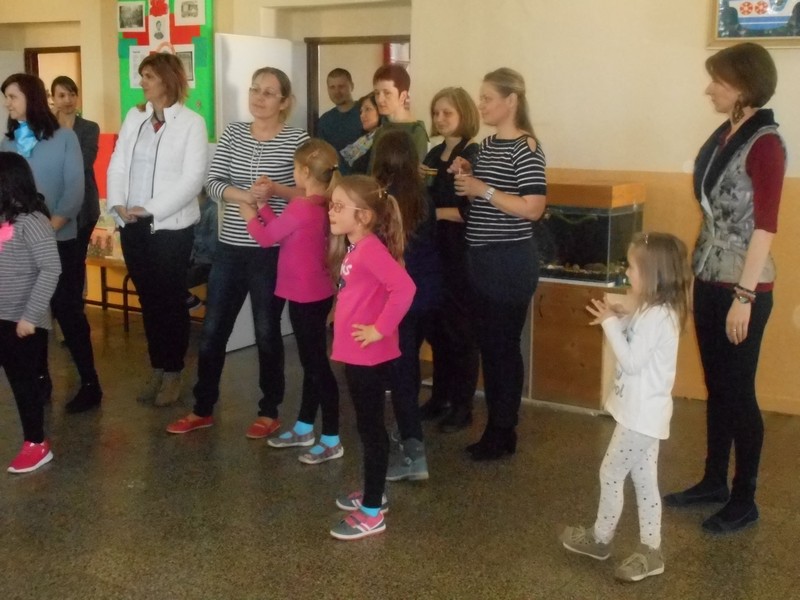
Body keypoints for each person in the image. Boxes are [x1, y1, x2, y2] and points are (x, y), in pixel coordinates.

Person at [663, 43, 786, 534]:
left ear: (743, 86)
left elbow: (766, 227)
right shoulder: (726, 135)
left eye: (717, 80)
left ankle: (744, 497)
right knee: (717, 388)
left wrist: (745, 296)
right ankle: (713, 480)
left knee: (738, 393)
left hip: (743, 286)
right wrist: (698, 280)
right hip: (710, 276)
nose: (709, 89)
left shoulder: (766, 144)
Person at [166, 67, 309, 437]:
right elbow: (212, 182)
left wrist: (275, 190)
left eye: (269, 92)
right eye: (255, 89)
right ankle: (202, 408)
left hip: (271, 250)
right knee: (213, 329)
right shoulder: (232, 133)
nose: (259, 98)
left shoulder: (298, 139)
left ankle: (269, 410)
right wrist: (244, 196)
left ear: (284, 102)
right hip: (230, 248)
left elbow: (311, 192)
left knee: (266, 331)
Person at [560, 232, 691, 583]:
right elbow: (635, 333)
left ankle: (601, 538)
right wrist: (619, 316)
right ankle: (651, 549)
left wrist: (609, 323)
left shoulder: (658, 316)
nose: (627, 272)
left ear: (652, 274)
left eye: (632, 267)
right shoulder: (651, 309)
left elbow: (632, 361)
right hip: (641, 414)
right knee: (644, 480)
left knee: (611, 473)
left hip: (640, 417)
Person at [449, 68, 547, 461]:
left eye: (488, 98)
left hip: (509, 261)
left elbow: (533, 207)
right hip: (481, 258)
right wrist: (468, 177)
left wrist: (482, 189)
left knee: (502, 349)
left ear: (511, 101)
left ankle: (503, 430)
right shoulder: (487, 145)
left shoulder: (527, 147)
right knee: (490, 347)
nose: (482, 105)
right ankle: (498, 427)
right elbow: (484, 200)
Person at [106, 53, 208, 407]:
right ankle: (158, 366)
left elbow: (192, 179)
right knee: (148, 300)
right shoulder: (135, 117)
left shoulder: (192, 123)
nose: (142, 82)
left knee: (169, 300)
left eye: (148, 76)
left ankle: (173, 370)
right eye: (142, 75)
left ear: (167, 79)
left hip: (170, 228)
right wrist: (117, 203)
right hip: (132, 224)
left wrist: (150, 208)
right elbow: (119, 162)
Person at [1, 73, 101, 414]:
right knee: (33, 312)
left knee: (67, 310)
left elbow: (74, 191)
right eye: (6, 97)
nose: (7, 103)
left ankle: (90, 383)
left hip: (61, 239)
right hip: (20, 246)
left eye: (12, 96)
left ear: (30, 97)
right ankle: (41, 378)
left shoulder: (65, 138)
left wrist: (49, 228)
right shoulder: (8, 144)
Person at [239, 139, 341, 464]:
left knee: (317, 367)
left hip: (305, 295)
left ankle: (332, 437)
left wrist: (247, 212)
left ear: (305, 171)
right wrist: (264, 208)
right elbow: (284, 232)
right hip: (314, 293)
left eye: (295, 168)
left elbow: (266, 238)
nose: (293, 173)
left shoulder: (302, 206)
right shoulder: (318, 203)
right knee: (312, 364)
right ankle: (304, 426)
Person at [328, 175, 415, 541]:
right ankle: (374, 492)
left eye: (338, 207)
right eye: (331, 205)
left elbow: (405, 288)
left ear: (363, 216)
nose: (330, 212)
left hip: (368, 356)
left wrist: (380, 329)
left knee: (371, 430)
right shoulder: (356, 246)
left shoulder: (369, 249)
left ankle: (372, 512)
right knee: (367, 427)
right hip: (357, 353)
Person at [371, 129, 440, 482]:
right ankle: (406, 428)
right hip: (428, 295)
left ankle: (414, 453)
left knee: (400, 375)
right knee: (408, 368)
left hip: (398, 300)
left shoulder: (381, 200)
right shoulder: (424, 198)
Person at [418, 86, 481, 433]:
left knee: (461, 332)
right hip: (433, 252)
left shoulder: (472, 155)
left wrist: (434, 213)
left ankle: (462, 405)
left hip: (459, 254)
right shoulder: (432, 155)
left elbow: (472, 211)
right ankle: (440, 396)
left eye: (447, 113)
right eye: (436, 113)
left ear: (464, 115)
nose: (440, 119)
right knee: (437, 329)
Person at [0, 152, 61, 473]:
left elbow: (51, 268)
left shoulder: (33, 222)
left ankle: (36, 444)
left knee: (25, 385)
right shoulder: (4, 220)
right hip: (2, 318)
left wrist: (30, 316)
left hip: (23, 322)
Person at [51, 76, 101, 303]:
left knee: (74, 261)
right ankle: (55, 310)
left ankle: (74, 309)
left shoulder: (89, 128)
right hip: (52, 205)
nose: (68, 100)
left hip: (84, 206)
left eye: (72, 94)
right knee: (54, 261)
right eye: (62, 95)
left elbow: (84, 162)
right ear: (53, 98)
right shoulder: (46, 129)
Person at [369, 64, 429, 170]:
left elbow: (415, 174)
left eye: (387, 93)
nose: (380, 99)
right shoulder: (381, 129)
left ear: (403, 96)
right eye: (377, 93)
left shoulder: (416, 132)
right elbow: (372, 169)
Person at [316, 69, 362, 161]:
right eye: (332, 87)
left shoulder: (365, 112)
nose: (336, 92)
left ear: (352, 86)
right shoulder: (325, 121)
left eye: (341, 86)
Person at [340, 93, 380, 175]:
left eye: (368, 109)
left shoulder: (382, 139)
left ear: (380, 110)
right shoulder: (362, 139)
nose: (362, 115)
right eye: (361, 112)